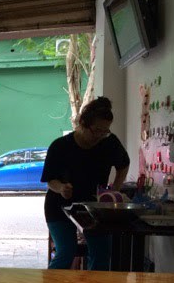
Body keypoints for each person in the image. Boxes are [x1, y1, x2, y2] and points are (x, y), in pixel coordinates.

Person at [41, 96, 130, 272]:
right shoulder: (60, 146)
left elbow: (123, 165)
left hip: (93, 208)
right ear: (82, 123)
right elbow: (50, 180)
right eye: (96, 130)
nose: (100, 136)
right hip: (59, 207)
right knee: (66, 251)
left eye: (105, 131)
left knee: (101, 253)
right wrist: (61, 188)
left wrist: (114, 190)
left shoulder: (109, 142)